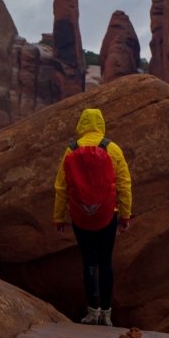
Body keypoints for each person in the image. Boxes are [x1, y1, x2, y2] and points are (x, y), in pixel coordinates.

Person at [53, 108, 132, 326]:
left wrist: (58, 217)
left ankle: (92, 312)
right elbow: (124, 184)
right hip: (108, 214)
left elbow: (61, 187)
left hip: (80, 216)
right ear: (101, 124)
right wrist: (125, 215)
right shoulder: (112, 149)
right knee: (106, 263)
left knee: (88, 262)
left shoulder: (70, 150)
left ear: (81, 125)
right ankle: (107, 314)